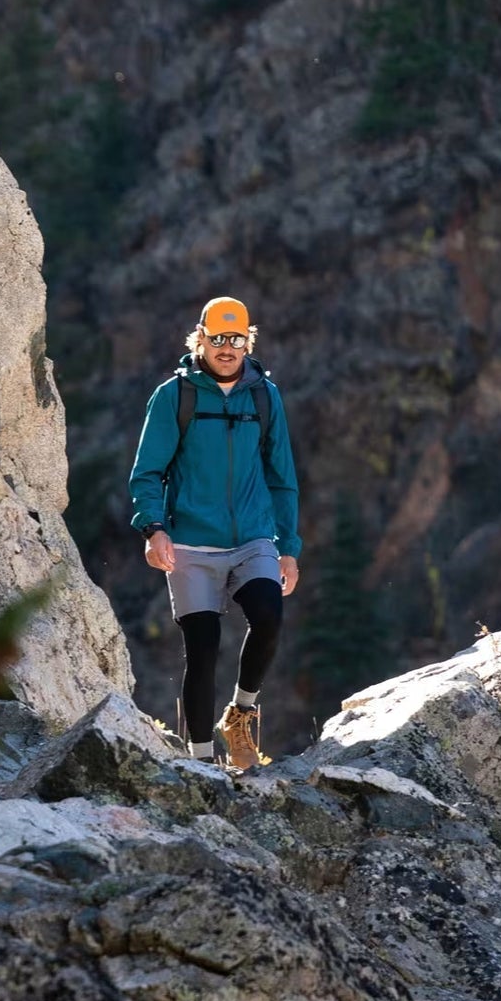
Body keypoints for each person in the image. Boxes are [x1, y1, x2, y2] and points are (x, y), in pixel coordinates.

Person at [127, 295, 301, 770]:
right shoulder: (174, 396)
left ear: (248, 341)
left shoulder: (265, 396)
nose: (227, 348)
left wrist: (289, 547)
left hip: (253, 539)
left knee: (268, 615)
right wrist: (153, 528)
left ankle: (241, 714)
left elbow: (282, 476)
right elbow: (147, 472)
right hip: (190, 544)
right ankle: (202, 764)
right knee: (202, 650)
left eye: (236, 339)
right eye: (218, 338)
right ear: (199, 337)